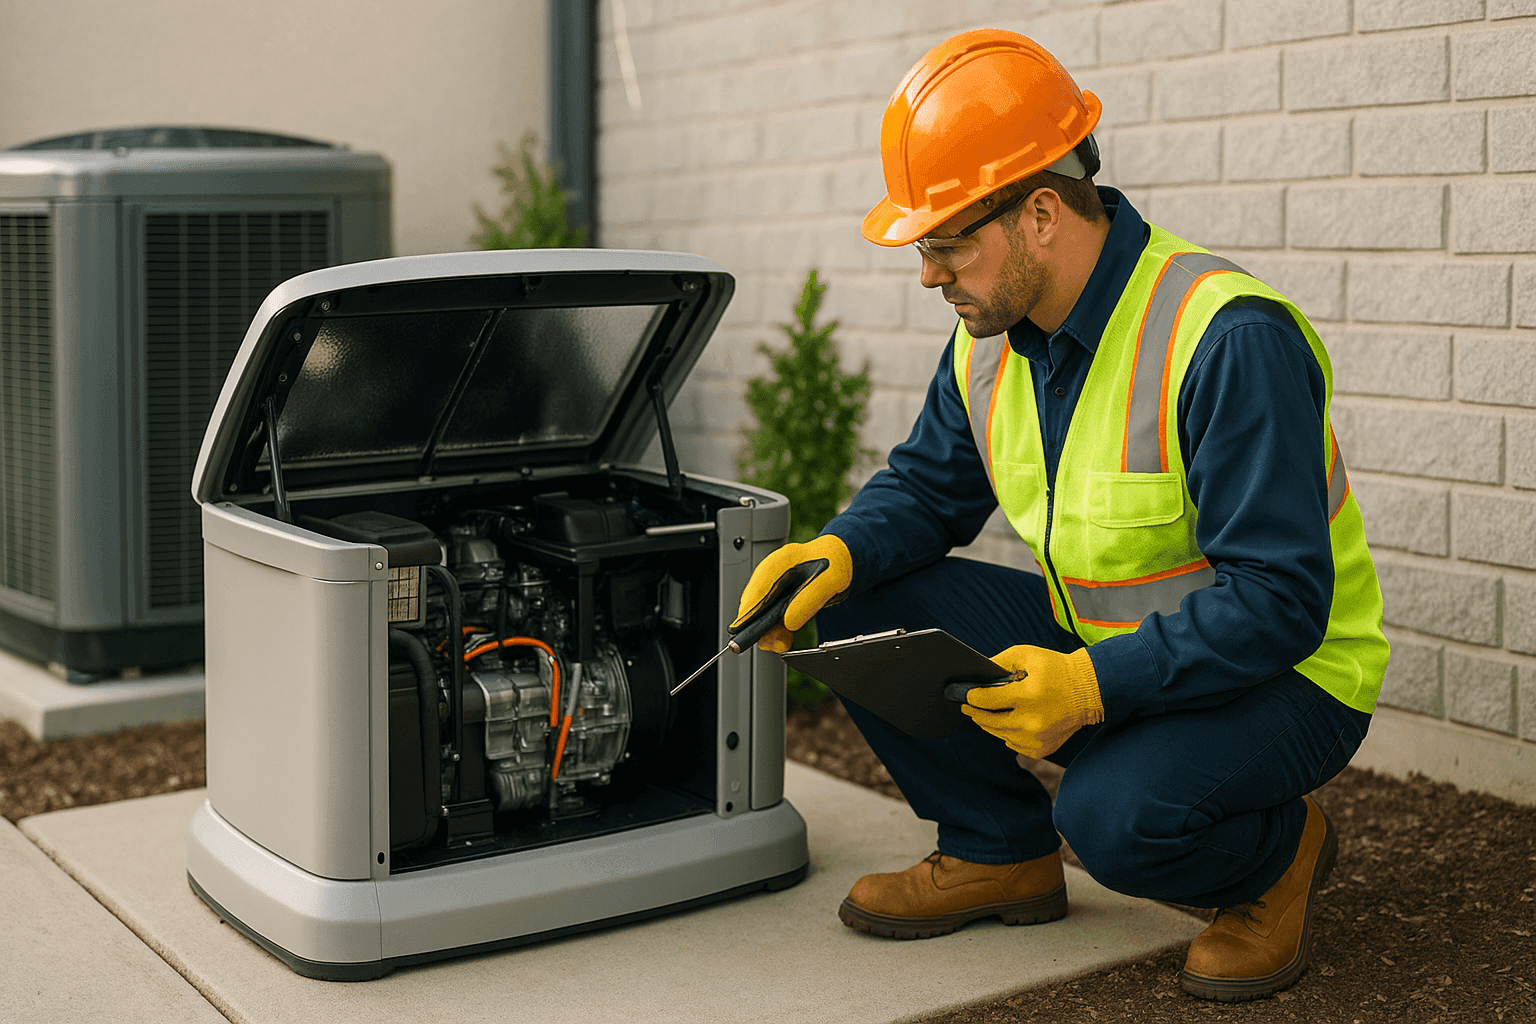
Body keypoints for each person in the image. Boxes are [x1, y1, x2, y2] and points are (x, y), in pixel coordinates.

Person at [732, 29, 1389, 1003]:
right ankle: (998, 850)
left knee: (1116, 816)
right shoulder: (993, 342)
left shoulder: (1225, 338)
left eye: (947, 243)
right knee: (873, 595)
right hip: (1118, 650)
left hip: (1286, 676)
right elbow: (924, 489)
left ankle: (1279, 856)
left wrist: (1090, 685)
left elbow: (1281, 601)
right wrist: (833, 550)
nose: (928, 275)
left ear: (1040, 213)